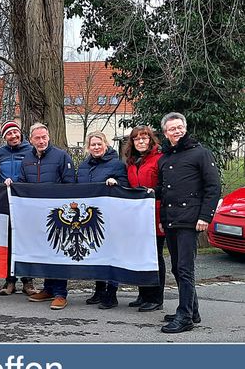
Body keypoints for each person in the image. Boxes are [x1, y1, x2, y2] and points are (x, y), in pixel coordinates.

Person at [157, 112, 220, 333]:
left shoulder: (200, 153)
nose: (177, 131)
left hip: (190, 220)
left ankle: (184, 317)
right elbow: (164, 191)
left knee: (185, 269)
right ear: (165, 133)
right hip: (172, 220)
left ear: (185, 128)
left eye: (180, 127)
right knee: (176, 267)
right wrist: (162, 218)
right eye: (172, 128)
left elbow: (213, 187)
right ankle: (192, 309)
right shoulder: (164, 158)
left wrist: (205, 216)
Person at [8, 123, 75, 310]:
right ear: (31, 140)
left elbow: (70, 185)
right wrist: (12, 184)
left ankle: (61, 293)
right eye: (37, 138)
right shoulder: (26, 158)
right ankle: (48, 289)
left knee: (59, 252)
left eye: (44, 137)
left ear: (49, 137)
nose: (41, 141)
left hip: (58, 215)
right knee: (45, 252)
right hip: (36, 215)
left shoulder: (61, 156)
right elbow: (22, 183)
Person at [77, 131, 128, 309]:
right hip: (90, 217)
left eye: (99, 144)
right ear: (88, 147)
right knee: (96, 252)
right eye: (93, 145)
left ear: (105, 145)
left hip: (111, 217)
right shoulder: (83, 166)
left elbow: (126, 186)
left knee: (111, 254)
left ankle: (111, 292)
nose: (96, 147)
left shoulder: (117, 164)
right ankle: (99, 289)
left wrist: (116, 183)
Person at [123, 126, 166, 312]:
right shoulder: (132, 162)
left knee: (155, 257)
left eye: (144, 138)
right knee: (140, 256)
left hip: (156, 215)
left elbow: (166, 187)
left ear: (151, 140)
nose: (140, 141)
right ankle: (143, 294)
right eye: (136, 139)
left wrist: (155, 195)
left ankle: (156, 297)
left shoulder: (159, 160)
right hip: (137, 217)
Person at [0, 120, 36, 296]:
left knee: (25, 241)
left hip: (25, 201)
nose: (13, 136)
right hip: (6, 201)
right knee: (8, 242)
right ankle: (9, 280)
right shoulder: (0, 153)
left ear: (20, 133)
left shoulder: (30, 150)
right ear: (5, 138)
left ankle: (28, 281)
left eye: (15, 132)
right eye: (9, 134)